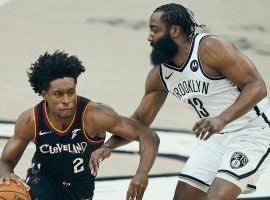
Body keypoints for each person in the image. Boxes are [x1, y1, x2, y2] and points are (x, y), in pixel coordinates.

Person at [90, 3, 270, 200]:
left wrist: (221, 119)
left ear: (175, 31)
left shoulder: (210, 48)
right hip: (215, 138)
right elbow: (139, 122)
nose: (149, 37)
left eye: (155, 30)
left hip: (253, 131)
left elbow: (257, 86)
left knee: (217, 197)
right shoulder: (159, 75)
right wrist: (108, 147)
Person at [0, 51, 160, 200]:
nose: (67, 100)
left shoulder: (94, 115)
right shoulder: (31, 120)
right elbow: (5, 162)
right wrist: (6, 174)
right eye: (58, 94)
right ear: (44, 95)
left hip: (79, 190)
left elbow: (149, 136)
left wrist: (141, 174)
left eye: (71, 92)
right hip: (42, 181)